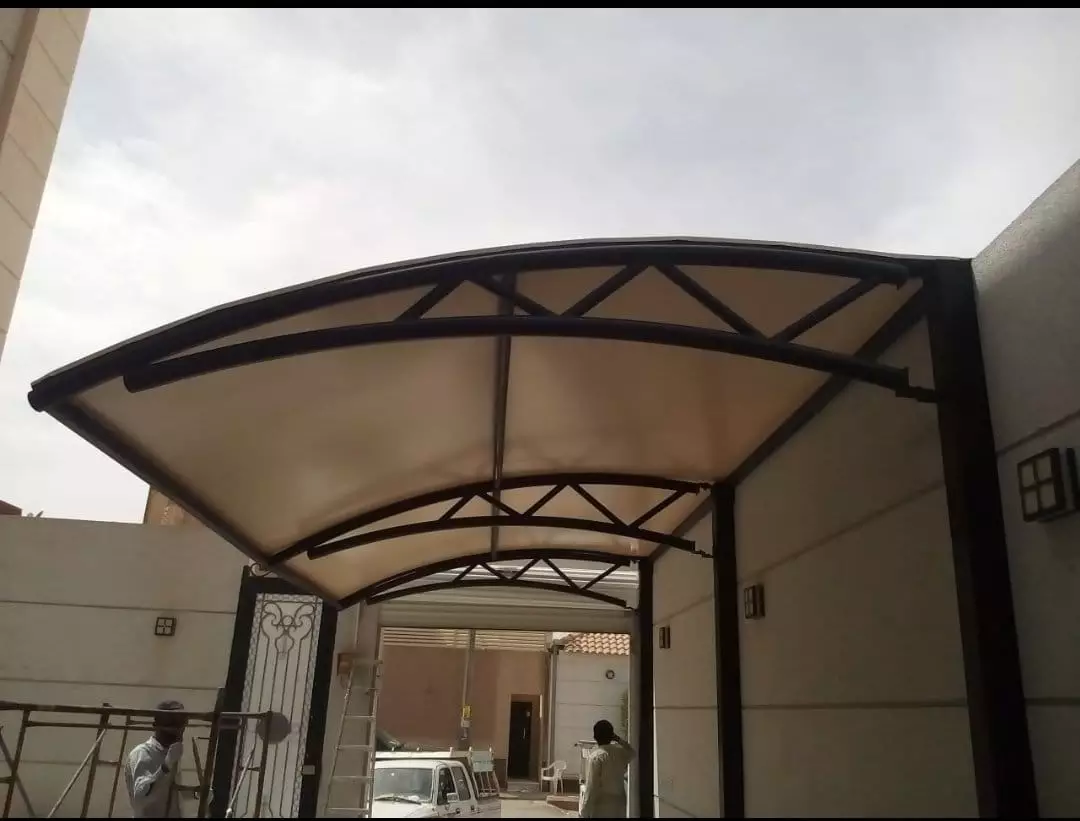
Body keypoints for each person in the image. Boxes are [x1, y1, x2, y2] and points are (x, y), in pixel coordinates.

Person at [124, 700, 199, 818]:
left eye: (181, 725)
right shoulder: (143, 753)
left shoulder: (169, 753)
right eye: (172, 725)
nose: (178, 731)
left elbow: (170, 790)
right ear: (157, 726)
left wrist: (196, 793)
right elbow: (141, 797)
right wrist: (165, 767)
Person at [580, 719, 636, 819]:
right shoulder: (620, 753)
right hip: (619, 804)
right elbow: (632, 752)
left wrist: (584, 811)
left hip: (601, 805)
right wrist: (618, 739)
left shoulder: (596, 757)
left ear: (595, 737)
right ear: (612, 736)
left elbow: (592, 786)